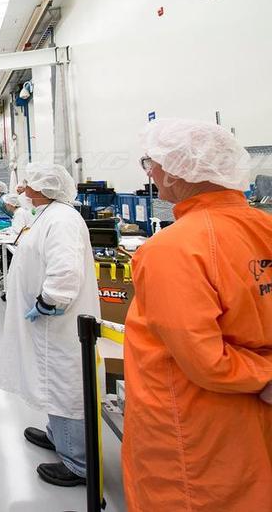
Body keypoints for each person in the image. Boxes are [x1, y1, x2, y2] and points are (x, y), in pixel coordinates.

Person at [123, 119, 272, 512]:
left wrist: (266, 375)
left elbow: (206, 360)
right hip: (256, 423)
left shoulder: (170, 250)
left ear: (176, 170)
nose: (150, 173)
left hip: (195, 432)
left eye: (151, 163)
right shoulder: (264, 227)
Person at [0, 163, 100, 487]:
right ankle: (58, 437)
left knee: (64, 384)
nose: (24, 188)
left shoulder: (62, 220)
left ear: (45, 189)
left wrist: (48, 301)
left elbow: (65, 270)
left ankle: (77, 463)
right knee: (51, 381)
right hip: (48, 325)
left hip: (58, 321)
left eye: (30, 183)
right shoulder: (49, 214)